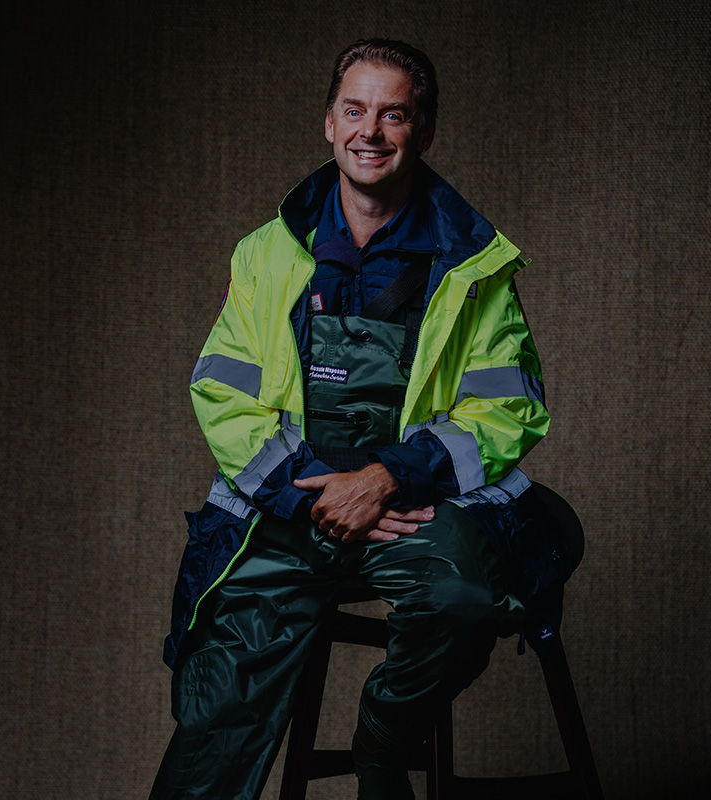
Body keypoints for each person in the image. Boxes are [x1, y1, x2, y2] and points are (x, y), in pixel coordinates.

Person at [151, 38, 550, 800]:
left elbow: (508, 408)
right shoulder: (267, 255)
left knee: (465, 601)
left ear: (422, 132)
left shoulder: (473, 267)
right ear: (329, 124)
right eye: (355, 110)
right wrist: (313, 498)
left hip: (413, 505)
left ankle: (380, 746)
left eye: (393, 114)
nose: (371, 131)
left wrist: (383, 480)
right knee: (222, 697)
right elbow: (223, 393)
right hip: (287, 507)